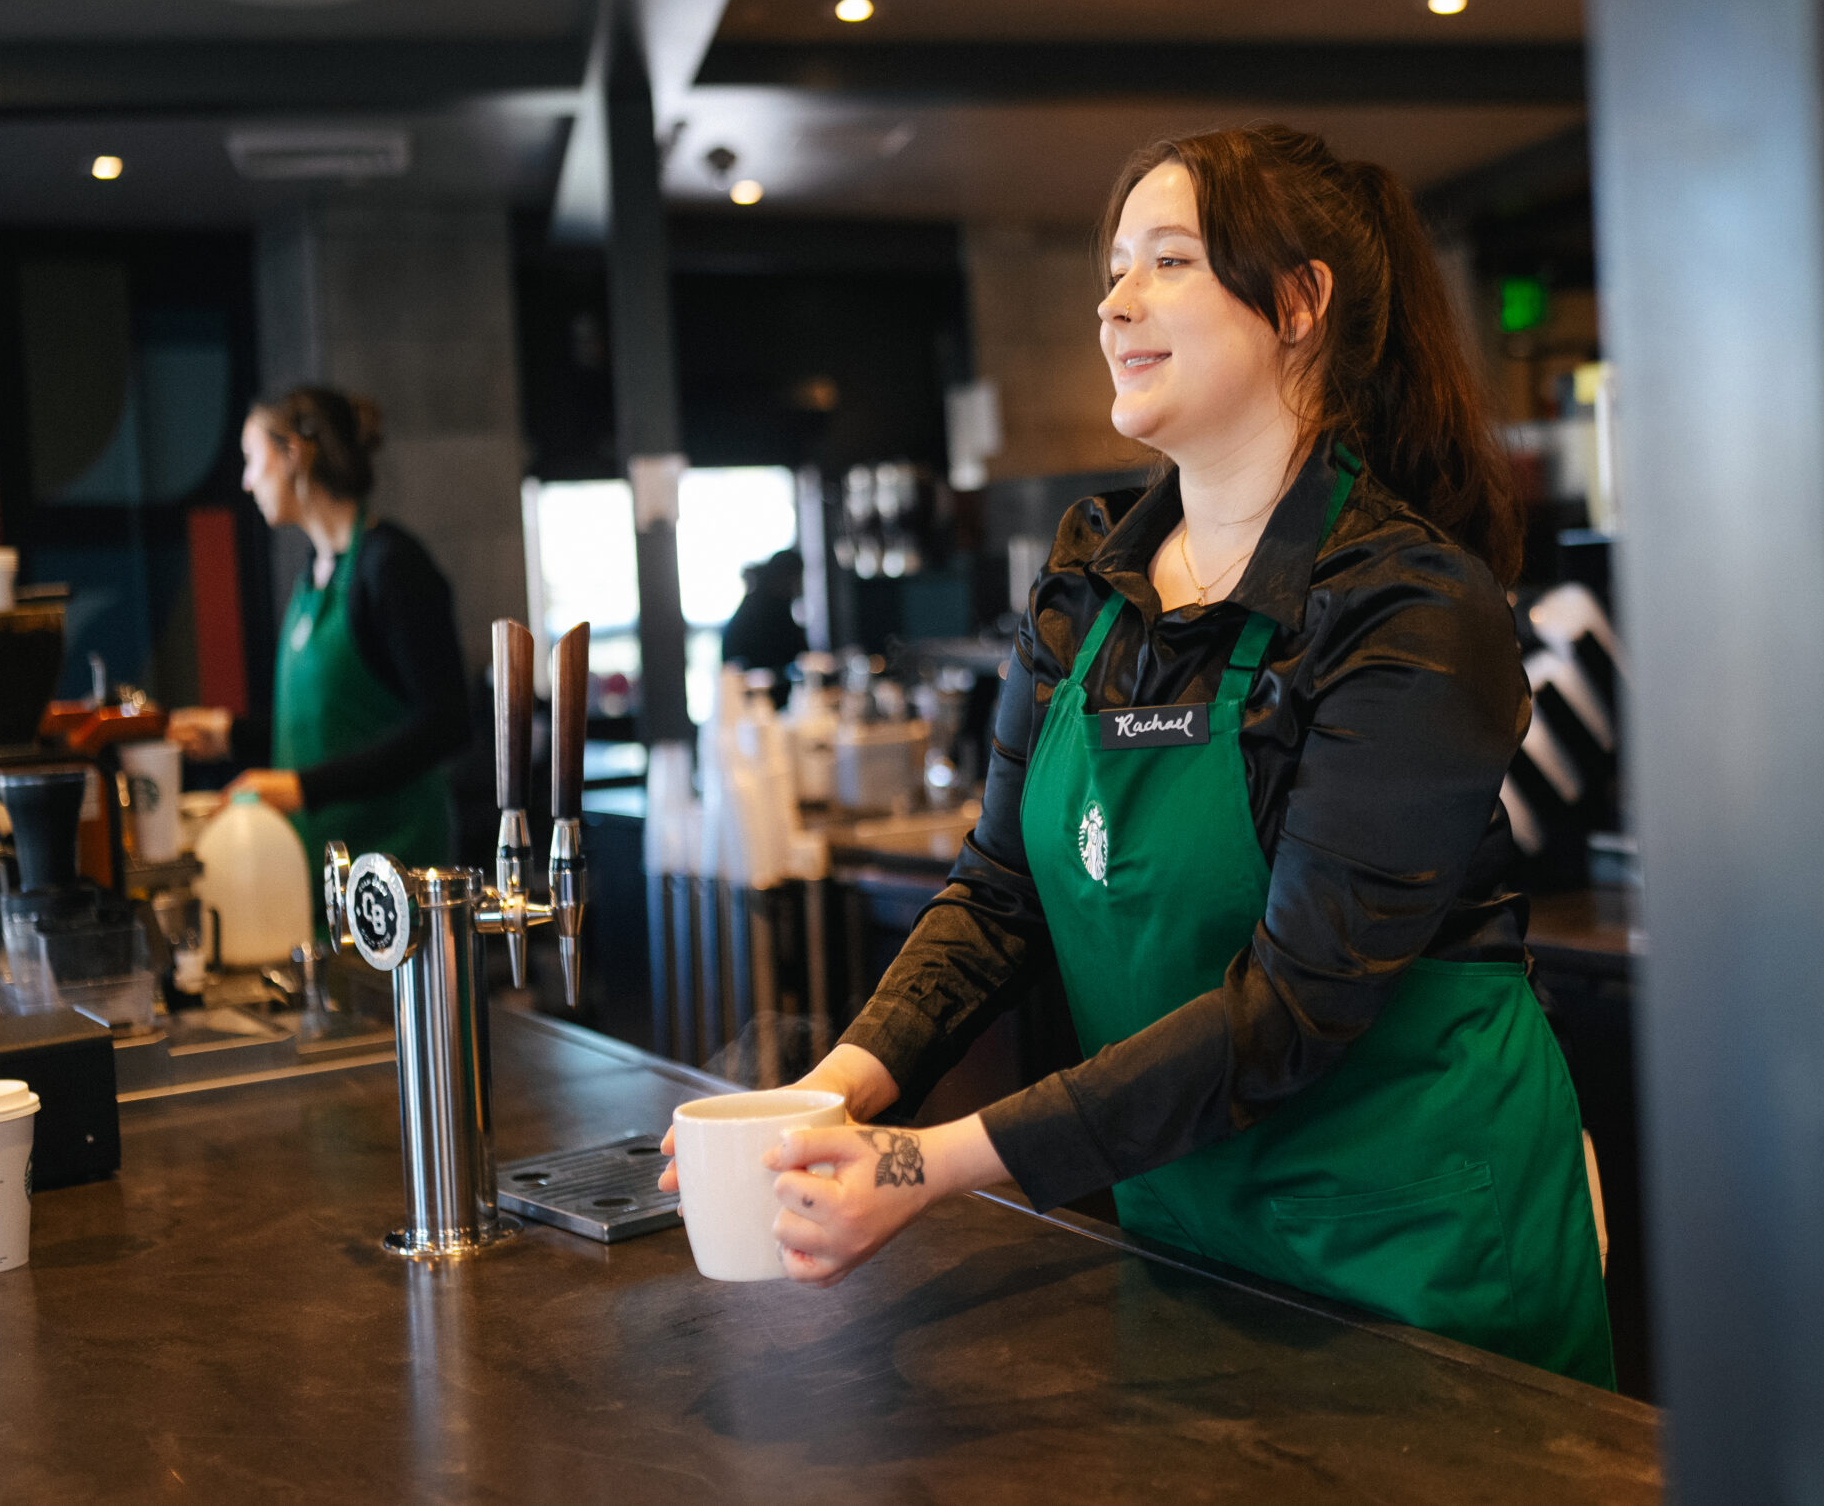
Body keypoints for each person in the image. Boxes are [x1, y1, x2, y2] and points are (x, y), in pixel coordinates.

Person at [665, 125, 1615, 1386]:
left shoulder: (1408, 606)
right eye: (1115, 269)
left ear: (1298, 303)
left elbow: (1294, 1006)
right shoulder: (1091, 581)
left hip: (1417, 1240)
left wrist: (932, 1162)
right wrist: (832, 1097)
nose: (1115, 304)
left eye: (1167, 261)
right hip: (1191, 1230)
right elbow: (997, 893)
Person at [168, 386, 469, 890]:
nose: (245, 482)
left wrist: (299, 788)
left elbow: (447, 725)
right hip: (330, 869)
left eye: (251, 459)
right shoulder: (314, 575)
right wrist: (229, 733)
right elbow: (330, 731)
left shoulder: (391, 566)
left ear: (292, 455)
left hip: (396, 874)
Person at [722, 548, 808, 690]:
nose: (800, 585)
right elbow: (790, 652)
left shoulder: (767, 601)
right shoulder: (763, 607)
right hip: (755, 692)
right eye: (797, 578)